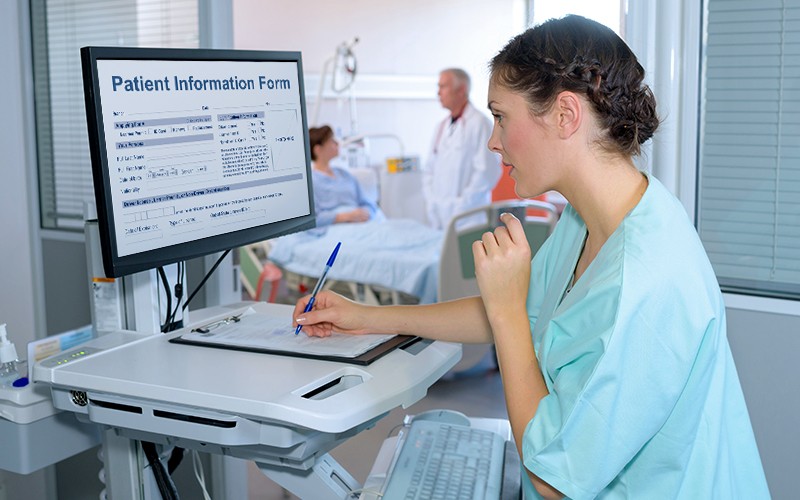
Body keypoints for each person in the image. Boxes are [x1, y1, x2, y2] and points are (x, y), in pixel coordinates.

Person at [292, 15, 769, 500]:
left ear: (565, 115)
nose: (493, 141)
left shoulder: (645, 280)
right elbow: (523, 309)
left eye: (501, 117)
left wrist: (505, 309)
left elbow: (552, 481)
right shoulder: (593, 219)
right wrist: (365, 317)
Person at [423, 68, 502, 230]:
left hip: (469, 218)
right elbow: (429, 170)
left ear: (461, 90)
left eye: (443, 87)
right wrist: (433, 205)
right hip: (439, 220)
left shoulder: (480, 123)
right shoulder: (441, 127)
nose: (438, 93)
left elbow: (487, 173)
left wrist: (460, 207)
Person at [308, 125, 384, 227]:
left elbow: (367, 203)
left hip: (364, 223)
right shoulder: (311, 182)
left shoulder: (345, 175)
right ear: (318, 150)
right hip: (335, 228)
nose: (337, 143)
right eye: (331, 141)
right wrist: (344, 217)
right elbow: (312, 219)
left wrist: (367, 214)